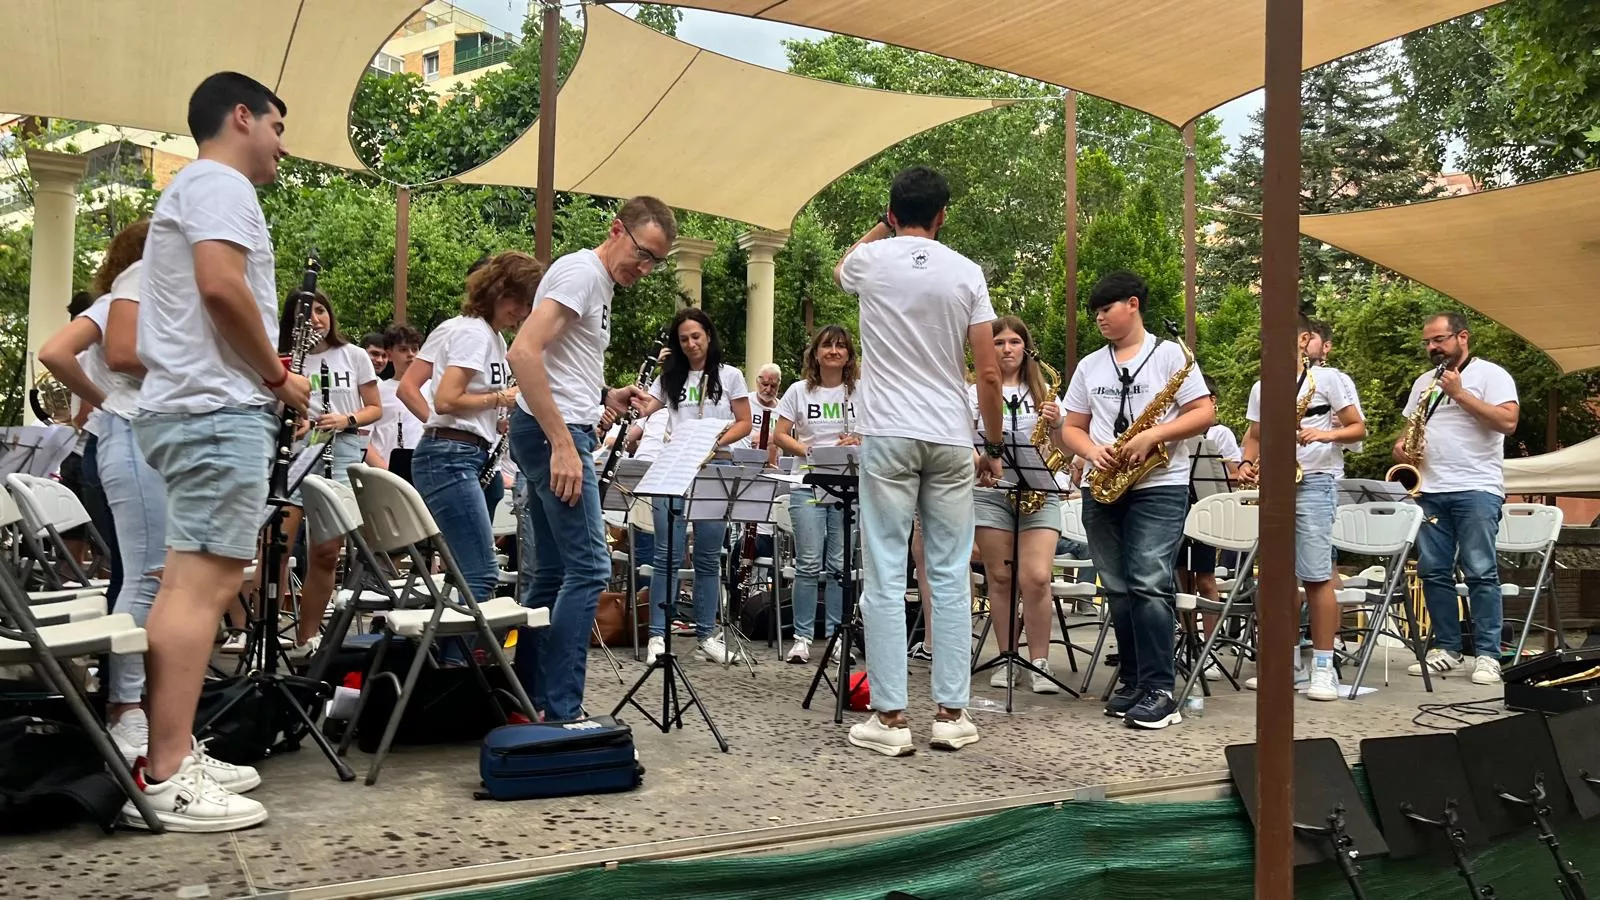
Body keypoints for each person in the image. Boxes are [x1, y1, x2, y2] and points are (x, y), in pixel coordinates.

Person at [127, 72, 308, 831]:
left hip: (193, 410)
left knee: (188, 583)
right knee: (202, 587)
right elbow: (221, 287)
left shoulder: (197, 188)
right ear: (242, 116)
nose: (281, 144)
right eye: (277, 126)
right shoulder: (221, 184)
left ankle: (168, 751)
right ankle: (166, 774)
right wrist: (277, 377)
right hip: (215, 411)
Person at [838, 166, 1003, 757]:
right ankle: (951, 714)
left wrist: (881, 227)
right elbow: (987, 370)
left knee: (885, 570)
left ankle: (890, 719)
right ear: (943, 215)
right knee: (950, 570)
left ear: (890, 210)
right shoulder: (967, 272)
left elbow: (843, 264)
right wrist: (993, 443)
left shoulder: (870, 260)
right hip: (951, 433)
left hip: (887, 431)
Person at [505, 196, 674, 722]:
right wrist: (561, 442)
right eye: (642, 254)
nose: (644, 269)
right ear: (616, 229)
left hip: (556, 425)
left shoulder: (597, 284)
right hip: (552, 433)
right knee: (591, 567)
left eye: (655, 263)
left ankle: (527, 700)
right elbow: (522, 353)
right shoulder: (581, 273)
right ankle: (562, 709)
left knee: (553, 572)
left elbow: (559, 362)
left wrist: (604, 395)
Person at [1059, 270, 1213, 730]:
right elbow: (1071, 427)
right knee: (1120, 588)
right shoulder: (1090, 365)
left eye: (1106, 309)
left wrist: (1155, 434)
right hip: (1102, 484)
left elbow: (1204, 412)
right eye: (1095, 312)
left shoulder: (1169, 356)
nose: (1100, 318)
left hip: (1159, 483)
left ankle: (1161, 690)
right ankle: (1133, 680)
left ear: (1132, 304)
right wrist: (1090, 451)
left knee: (1148, 581)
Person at [38, 219, 152, 761]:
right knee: (143, 573)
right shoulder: (120, 301)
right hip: (129, 435)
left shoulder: (133, 301)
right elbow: (54, 352)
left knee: (151, 573)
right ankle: (125, 708)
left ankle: (138, 703)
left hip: (138, 437)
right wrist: (107, 400)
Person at [398, 252, 538, 621]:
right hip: (452, 456)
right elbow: (446, 400)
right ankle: (455, 664)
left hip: (463, 452)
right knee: (480, 572)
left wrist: (489, 419)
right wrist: (496, 400)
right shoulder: (473, 333)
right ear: (497, 292)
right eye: (520, 301)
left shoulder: (486, 335)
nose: (523, 312)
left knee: (470, 566)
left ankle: (452, 659)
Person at [1239, 317, 1366, 701]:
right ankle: (1284, 664)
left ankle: (1324, 668)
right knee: (1275, 578)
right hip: (1276, 485)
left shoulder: (1329, 380)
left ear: (1304, 341)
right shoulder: (1263, 387)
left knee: (1315, 575)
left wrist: (1324, 433)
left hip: (1315, 479)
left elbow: (1358, 428)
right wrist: (1247, 462)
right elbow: (1255, 434)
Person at [1398, 312, 1519, 685]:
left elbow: (1508, 423)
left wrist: (1460, 394)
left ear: (1462, 337)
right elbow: (1409, 431)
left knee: (1481, 572)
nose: (1433, 348)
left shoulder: (1491, 375)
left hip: (1476, 488)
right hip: (1429, 489)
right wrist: (1402, 449)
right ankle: (1447, 649)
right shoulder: (1423, 382)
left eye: (1439, 340)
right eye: (1428, 342)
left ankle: (1487, 654)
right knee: (1433, 572)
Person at [632, 307, 753, 665]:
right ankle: (657, 635)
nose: (691, 344)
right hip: (674, 467)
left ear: (709, 336)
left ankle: (705, 634)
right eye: (684, 339)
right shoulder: (670, 378)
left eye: (696, 336)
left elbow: (744, 422)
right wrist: (656, 369)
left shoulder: (730, 375)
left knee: (706, 556)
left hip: (713, 466)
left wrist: (716, 442)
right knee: (665, 554)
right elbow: (643, 409)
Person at [277, 293, 381, 660]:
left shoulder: (354, 355)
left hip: (341, 451)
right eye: (305, 313)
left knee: (325, 552)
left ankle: (307, 637)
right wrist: (295, 425)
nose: (315, 318)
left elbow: (374, 408)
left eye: (321, 310)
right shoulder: (287, 360)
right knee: (276, 544)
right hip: (297, 455)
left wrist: (345, 419)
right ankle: (261, 632)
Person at [969, 316, 1064, 694]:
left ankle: (1039, 661)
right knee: (1002, 577)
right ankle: (1008, 658)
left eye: (1014, 342)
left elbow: (1067, 447)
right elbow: (964, 440)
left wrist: (1057, 425)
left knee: (1037, 577)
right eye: (999, 342)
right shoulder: (972, 391)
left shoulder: (1045, 394)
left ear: (1026, 347)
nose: (1007, 349)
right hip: (991, 492)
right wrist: (980, 459)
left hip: (1040, 492)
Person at [772, 325, 858, 664]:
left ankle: (838, 636)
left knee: (840, 565)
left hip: (847, 486)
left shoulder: (861, 391)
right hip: (806, 482)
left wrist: (858, 440)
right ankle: (802, 637)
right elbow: (780, 436)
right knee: (808, 563)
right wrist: (806, 449)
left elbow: (875, 435)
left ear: (849, 354)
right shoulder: (798, 391)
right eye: (827, 346)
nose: (834, 351)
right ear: (816, 353)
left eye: (840, 346)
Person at [1179, 373, 1242, 677]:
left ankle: (1209, 645)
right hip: (1181, 507)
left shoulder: (1221, 434)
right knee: (1181, 579)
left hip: (1205, 509)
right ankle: (1186, 640)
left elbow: (1232, 476)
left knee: (1205, 578)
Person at [365, 324, 425, 482]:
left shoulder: (432, 388)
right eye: (403, 350)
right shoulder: (377, 390)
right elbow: (364, 441)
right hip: (387, 473)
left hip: (424, 471)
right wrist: (386, 473)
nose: (411, 355)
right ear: (390, 354)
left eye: (414, 349)